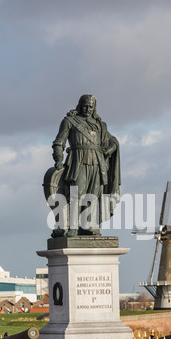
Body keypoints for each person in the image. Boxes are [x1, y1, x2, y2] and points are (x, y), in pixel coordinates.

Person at [50, 94, 121, 237]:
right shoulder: (69, 121)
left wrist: (109, 149)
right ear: (80, 105)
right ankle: (73, 227)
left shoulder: (101, 125)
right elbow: (59, 142)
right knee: (76, 193)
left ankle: (87, 225)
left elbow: (113, 141)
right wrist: (58, 158)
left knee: (93, 195)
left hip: (97, 162)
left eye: (91, 106)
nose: (88, 109)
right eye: (85, 106)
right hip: (78, 161)